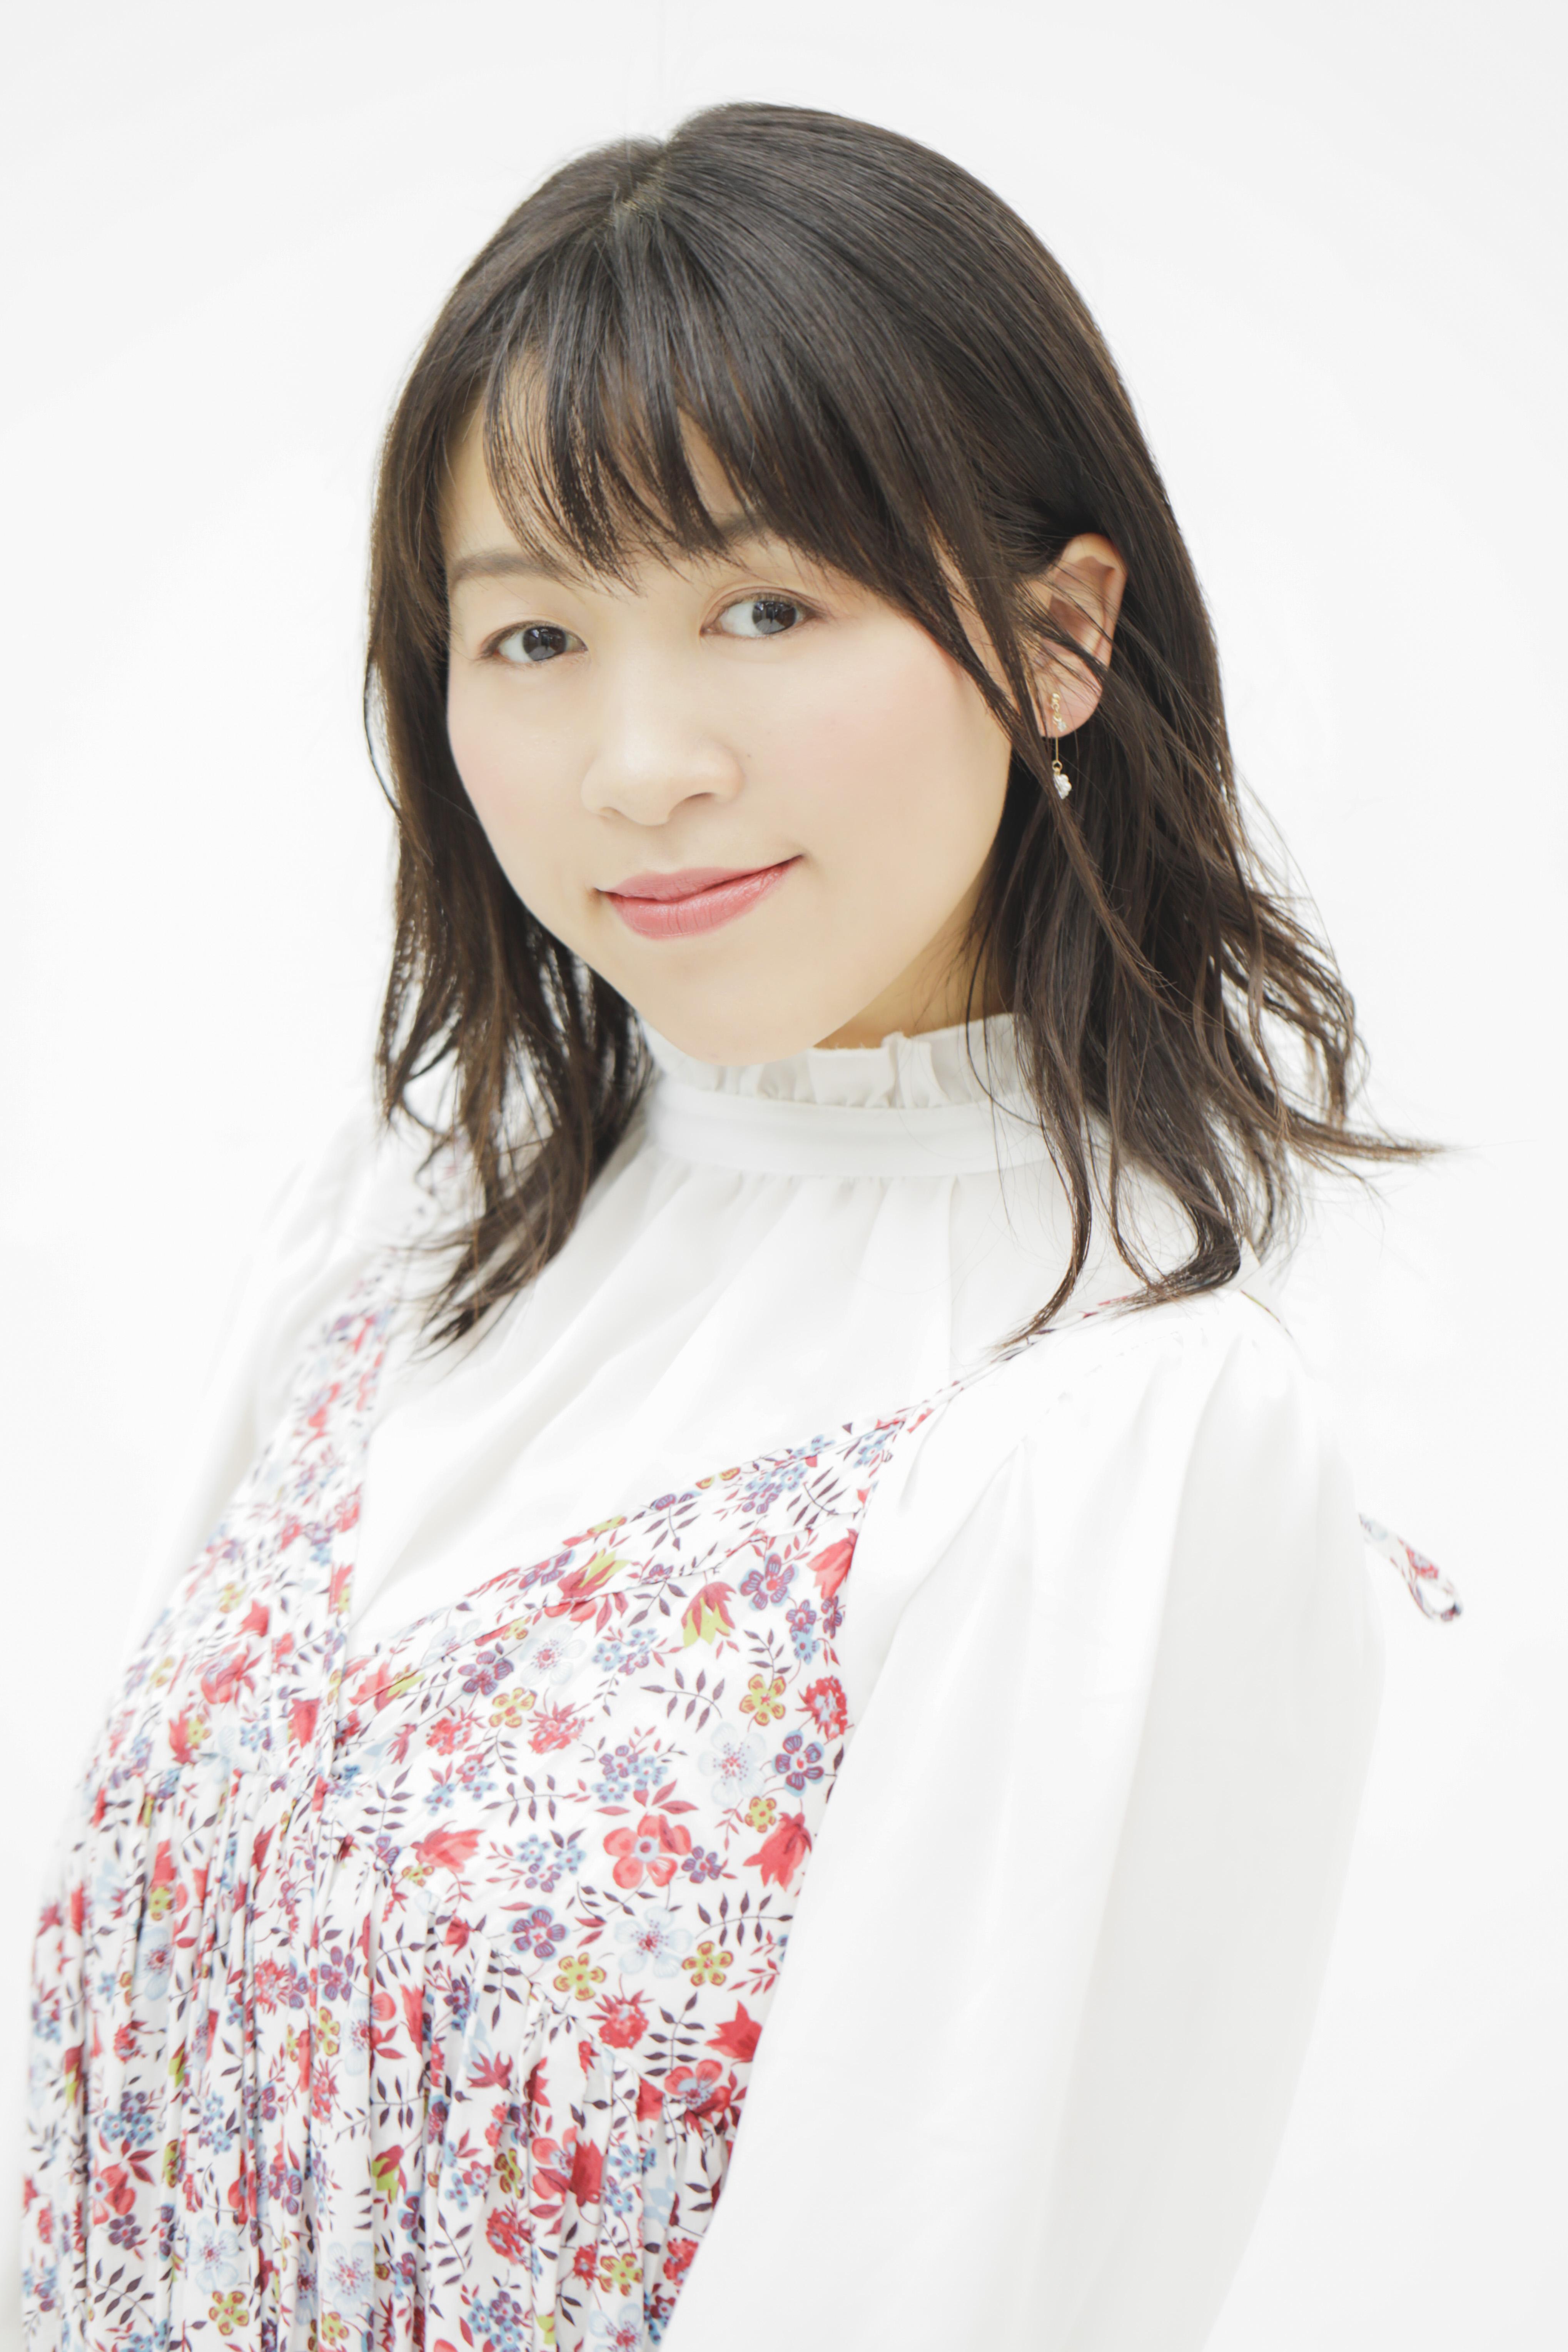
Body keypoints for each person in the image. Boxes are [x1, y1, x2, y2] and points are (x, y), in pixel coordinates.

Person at [20, 100, 1453, 2352]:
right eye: (532, 636)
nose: (640, 763)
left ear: (1060, 637)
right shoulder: (401, 1237)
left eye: (765, 607)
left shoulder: (1120, 1441)